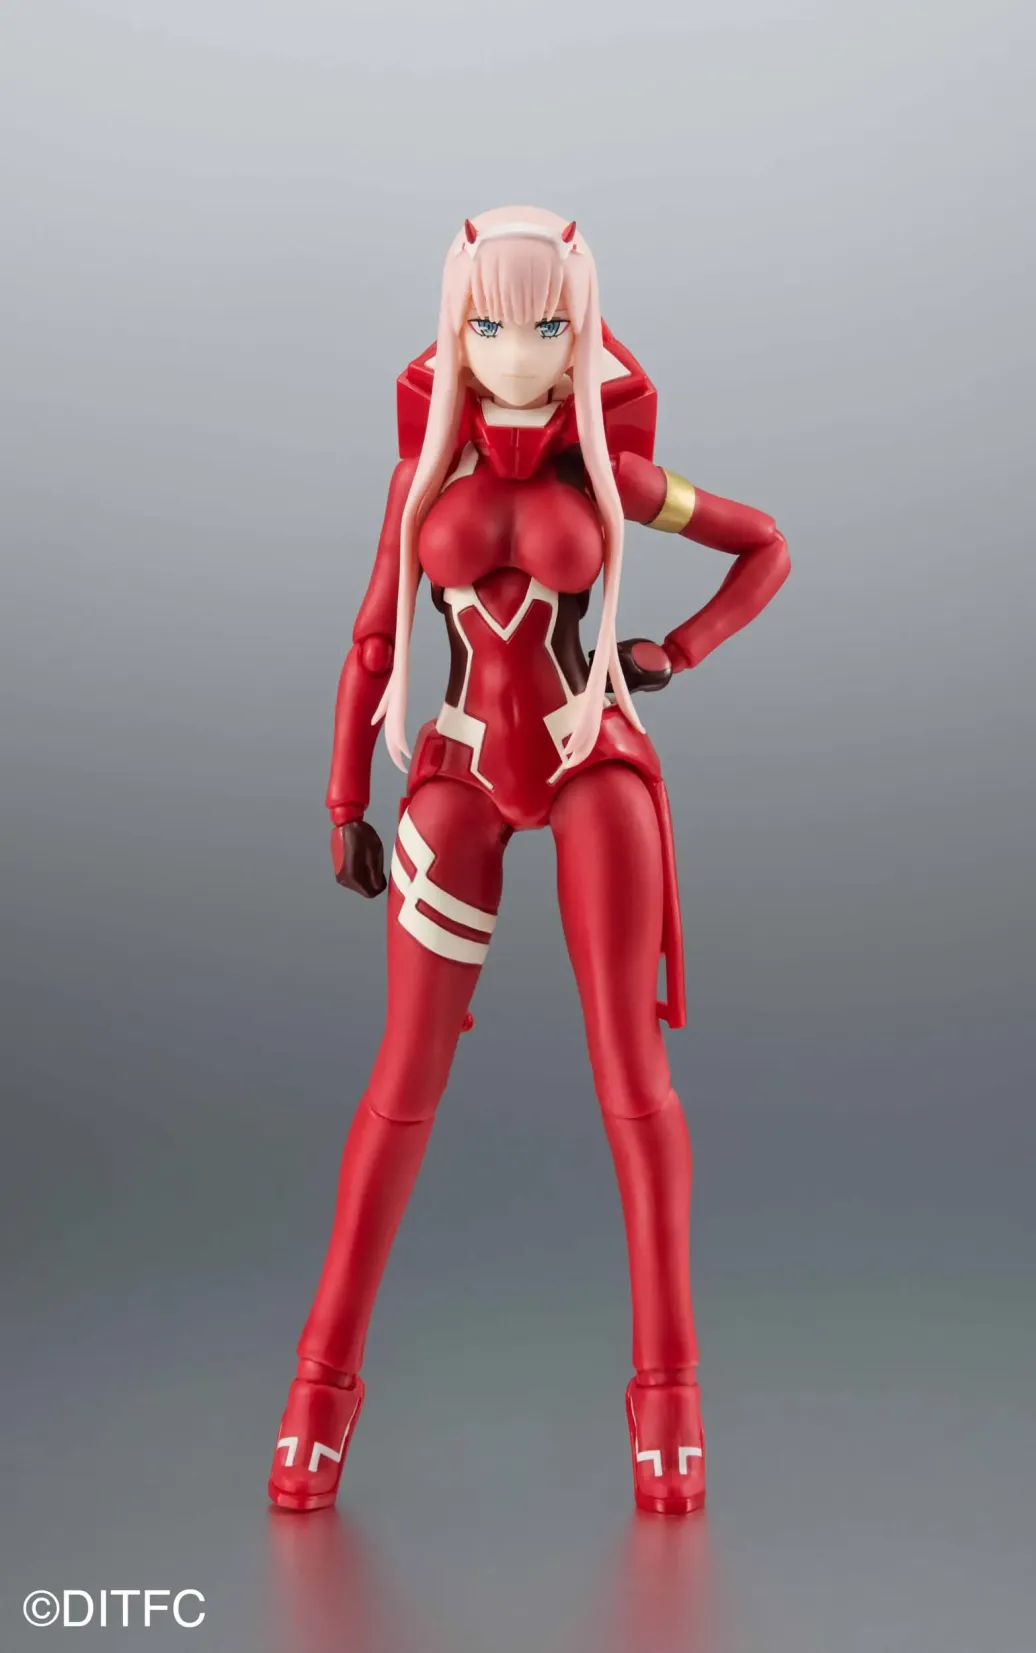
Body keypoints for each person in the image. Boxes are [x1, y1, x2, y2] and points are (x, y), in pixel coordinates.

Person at [267, 206, 790, 1516]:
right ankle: (320, 1385)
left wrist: (677, 650)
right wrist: (344, 796)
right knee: (401, 1084)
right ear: (456, 328)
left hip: (589, 758)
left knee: (633, 1083)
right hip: (454, 775)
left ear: (580, 331)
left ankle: (669, 1390)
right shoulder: (422, 480)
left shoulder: (619, 478)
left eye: (547, 324)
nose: (516, 351)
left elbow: (764, 544)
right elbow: (374, 641)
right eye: (491, 324)